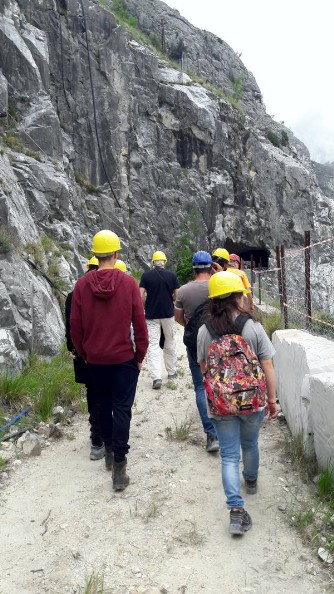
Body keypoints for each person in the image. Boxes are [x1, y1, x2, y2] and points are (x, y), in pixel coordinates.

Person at [197, 271, 278, 534]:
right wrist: (273, 400)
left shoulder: (204, 331)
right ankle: (251, 481)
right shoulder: (252, 327)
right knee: (250, 443)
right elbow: (267, 364)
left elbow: (203, 369)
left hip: (221, 404)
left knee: (229, 456)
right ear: (237, 297)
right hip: (252, 400)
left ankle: (236, 511)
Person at [70, 230, 149, 491]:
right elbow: (140, 326)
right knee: (122, 409)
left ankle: (106, 453)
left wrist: (85, 354)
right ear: (115, 254)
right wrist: (139, 357)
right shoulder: (128, 284)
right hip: (124, 359)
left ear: (95, 254)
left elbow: (75, 329)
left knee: (102, 405)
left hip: (95, 360)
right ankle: (119, 466)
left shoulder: (81, 285)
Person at [174, 251, 219, 453]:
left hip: (195, 343)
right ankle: (227, 428)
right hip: (219, 338)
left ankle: (211, 435)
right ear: (211, 267)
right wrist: (221, 272)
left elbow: (178, 318)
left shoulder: (183, 291)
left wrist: (191, 328)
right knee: (220, 381)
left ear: (193, 268)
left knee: (201, 387)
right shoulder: (218, 284)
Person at [65, 256, 104, 461]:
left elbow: (70, 328)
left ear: (88, 268)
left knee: (92, 392)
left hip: (84, 353)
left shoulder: (74, 294)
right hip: (107, 353)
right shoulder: (110, 291)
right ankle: (106, 433)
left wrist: (73, 349)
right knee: (107, 392)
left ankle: (96, 436)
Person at [139, 251, 180, 389]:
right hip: (168, 314)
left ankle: (156, 377)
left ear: (153, 262)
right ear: (165, 261)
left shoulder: (145, 276)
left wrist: (146, 306)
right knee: (170, 341)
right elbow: (177, 296)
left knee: (153, 345)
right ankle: (172, 372)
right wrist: (171, 299)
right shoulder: (172, 275)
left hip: (151, 315)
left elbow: (140, 295)